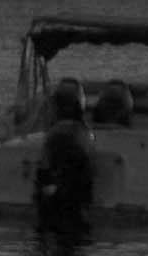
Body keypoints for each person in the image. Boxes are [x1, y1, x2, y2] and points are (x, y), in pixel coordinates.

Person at [27, 90, 98, 245]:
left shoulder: (55, 134)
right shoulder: (82, 133)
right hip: (70, 197)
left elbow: (44, 167)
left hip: (56, 194)